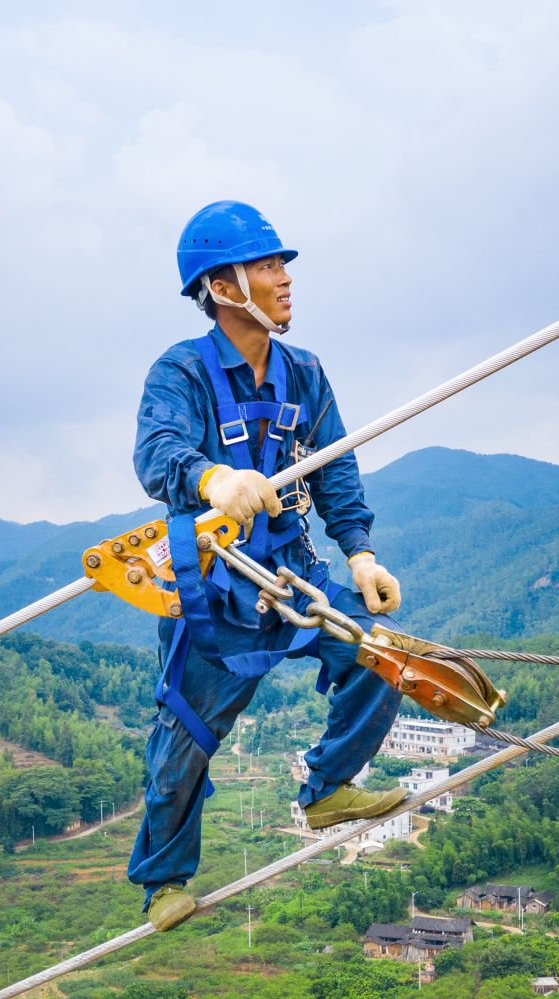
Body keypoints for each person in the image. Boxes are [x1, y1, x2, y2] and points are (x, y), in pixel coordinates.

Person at [129, 200, 407, 931]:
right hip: (215, 592)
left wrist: (362, 553)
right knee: (184, 738)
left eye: (282, 264)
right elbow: (156, 452)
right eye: (266, 266)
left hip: (289, 575)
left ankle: (327, 788)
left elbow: (334, 470)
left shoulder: (304, 375)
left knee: (377, 656)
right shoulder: (182, 372)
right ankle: (165, 882)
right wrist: (212, 479)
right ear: (223, 287)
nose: (284, 279)